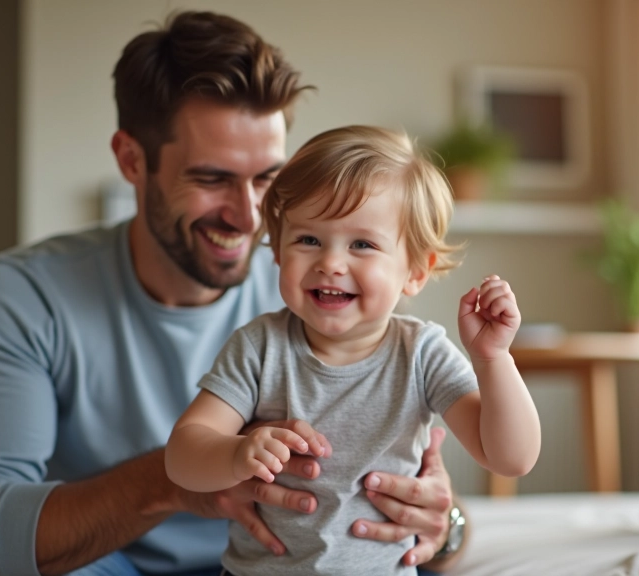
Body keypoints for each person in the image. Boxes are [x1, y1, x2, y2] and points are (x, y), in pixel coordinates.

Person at [0, 11, 468, 576]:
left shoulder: (321, 291)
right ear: (131, 160)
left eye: (267, 179)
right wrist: (180, 479)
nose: (249, 217)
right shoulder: (25, 296)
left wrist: (441, 525)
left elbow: (434, 510)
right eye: (212, 178)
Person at [165, 126, 542, 575]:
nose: (331, 262)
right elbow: (183, 455)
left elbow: (512, 457)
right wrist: (234, 453)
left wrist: (493, 359)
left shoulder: (421, 354)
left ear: (415, 273)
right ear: (279, 255)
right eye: (308, 240)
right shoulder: (259, 347)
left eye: (362, 244)